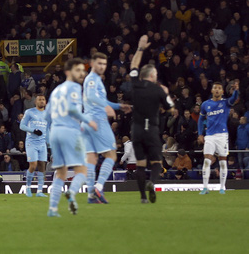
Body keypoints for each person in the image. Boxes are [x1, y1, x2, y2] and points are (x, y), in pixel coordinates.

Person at [45, 58, 97, 217]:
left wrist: (51, 133)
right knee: (82, 170)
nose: (81, 73)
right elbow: (73, 109)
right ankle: (72, 193)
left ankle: (53, 209)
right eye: (78, 70)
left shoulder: (56, 90)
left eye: (82, 70)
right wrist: (89, 121)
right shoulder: (74, 88)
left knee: (60, 174)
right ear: (68, 72)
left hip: (55, 132)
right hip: (70, 131)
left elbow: (47, 115)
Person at [126, 35, 175, 204]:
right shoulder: (159, 89)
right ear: (153, 75)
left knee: (140, 164)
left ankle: (142, 198)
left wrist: (140, 48)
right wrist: (166, 96)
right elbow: (171, 109)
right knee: (156, 162)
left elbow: (133, 65)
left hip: (137, 130)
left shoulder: (136, 84)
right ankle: (152, 183)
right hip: (152, 130)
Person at [83, 52, 132, 204]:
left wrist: (118, 106)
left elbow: (99, 99)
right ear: (92, 63)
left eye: (104, 64)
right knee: (111, 155)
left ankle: (91, 195)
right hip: (97, 120)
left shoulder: (94, 79)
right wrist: (111, 106)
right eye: (99, 63)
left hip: (87, 121)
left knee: (91, 158)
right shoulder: (92, 79)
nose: (102, 67)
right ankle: (98, 186)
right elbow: (92, 97)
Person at [198, 80, 239, 194]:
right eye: (215, 88)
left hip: (222, 136)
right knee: (206, 160)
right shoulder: (205, 104)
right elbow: (201, 119)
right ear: (212, 90)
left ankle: (222, 187)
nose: (217, 90)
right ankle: (205, 188)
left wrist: (236, 90)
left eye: (219, 88)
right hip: (210, 136)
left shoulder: (225, 102)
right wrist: (200, 134)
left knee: (222, 161)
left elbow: (233, 99)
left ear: (222, 91)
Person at [20, 94, 48, 197]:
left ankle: (39, 191)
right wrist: (33, 130)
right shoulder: (29, 112)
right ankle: (28, 188)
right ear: (35, 102)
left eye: (43, 99)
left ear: (45, 102)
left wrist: (49, 143)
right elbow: (22, 126)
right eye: (39, 99)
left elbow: (47, 129)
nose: (41, 101)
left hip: (42, 143)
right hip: (31, 142)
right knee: (33, 165)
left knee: (42, 166)